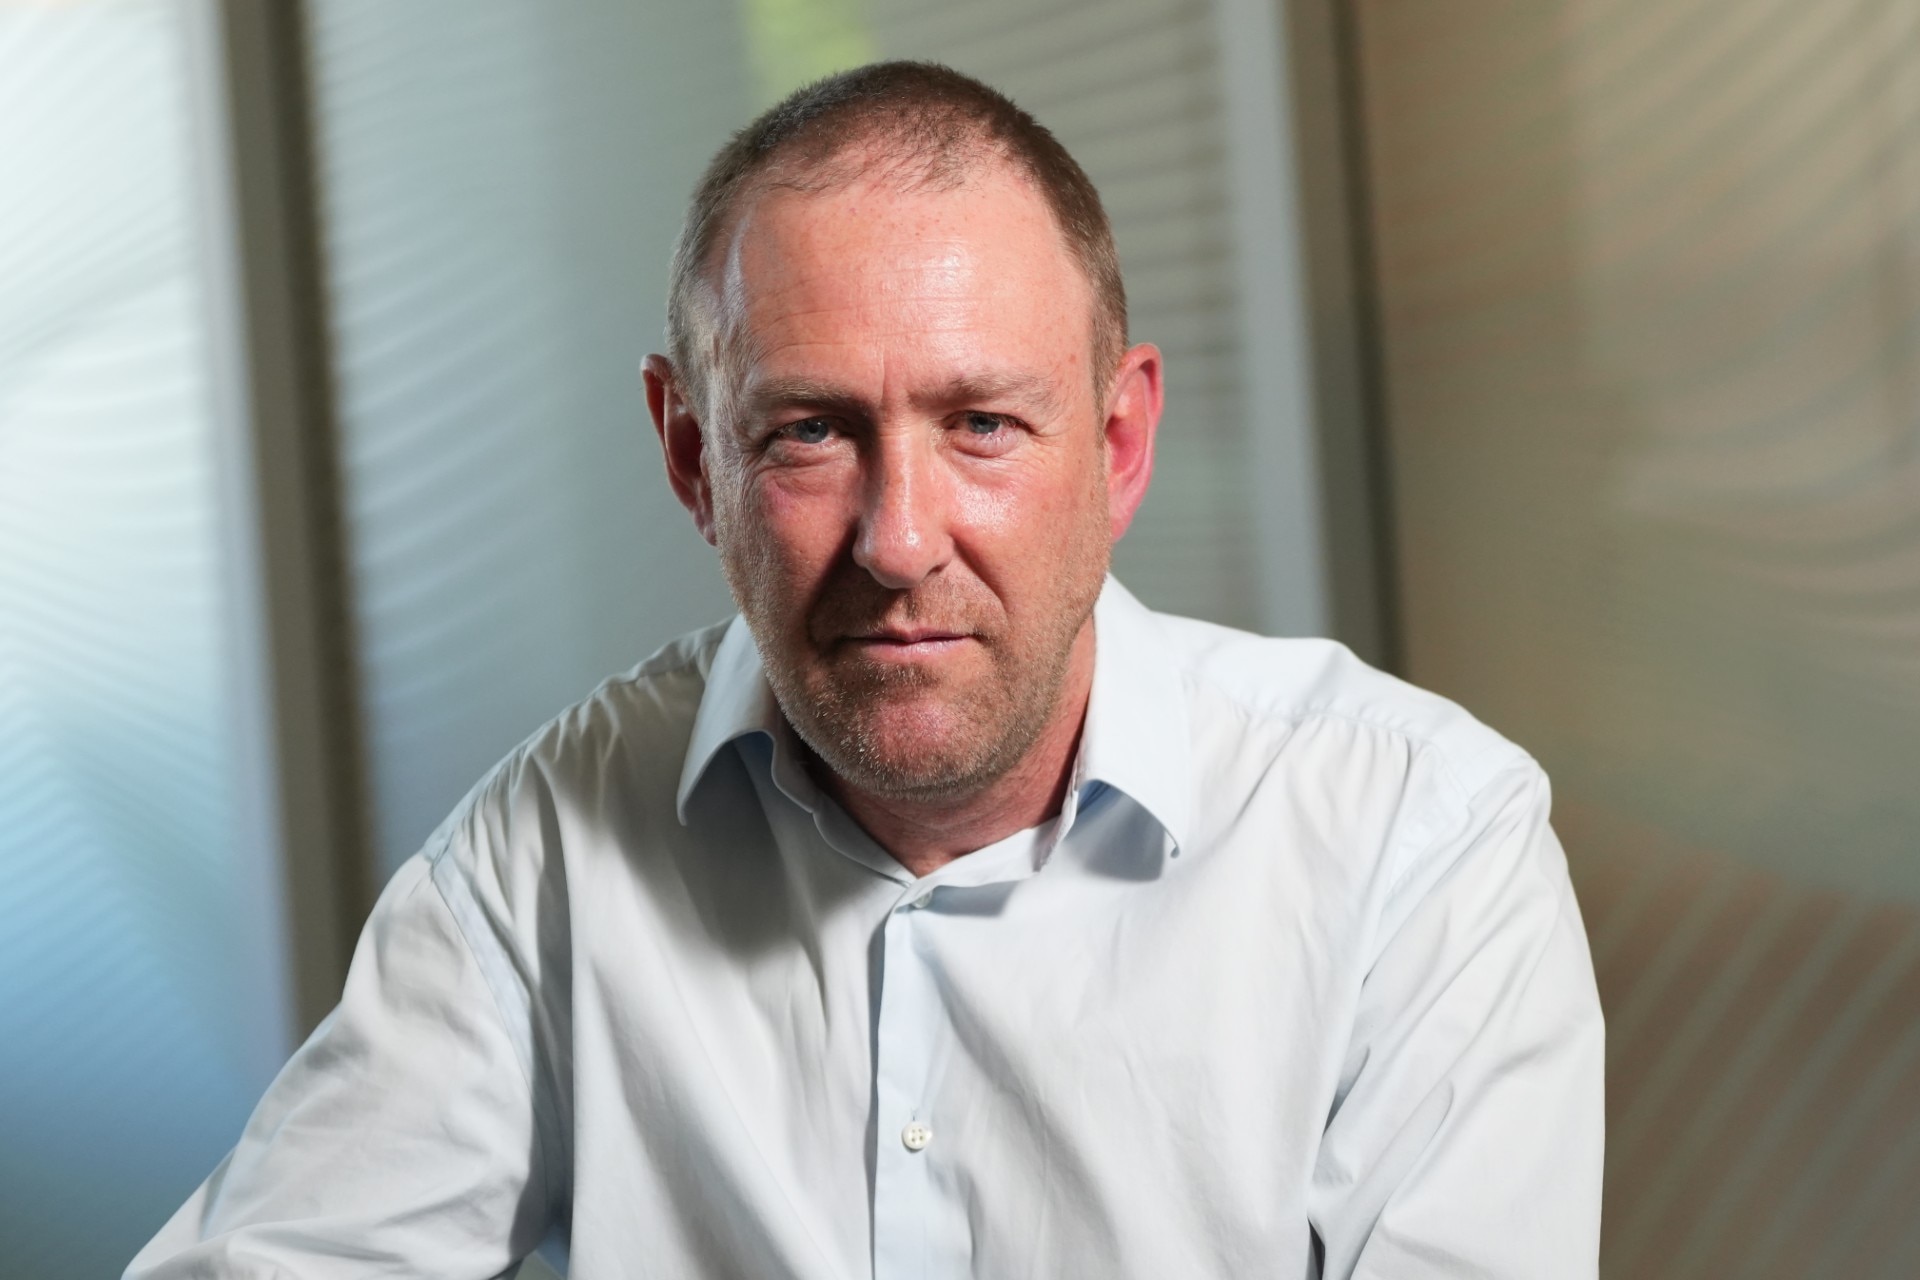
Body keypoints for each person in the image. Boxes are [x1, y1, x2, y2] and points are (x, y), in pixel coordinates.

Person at [129, 61, 1603, 1279]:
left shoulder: (1420, 846)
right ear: (692, 457)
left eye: (983, 427)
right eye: (810, 433)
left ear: (1120, 442)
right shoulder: (553, 851)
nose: (900, 543)